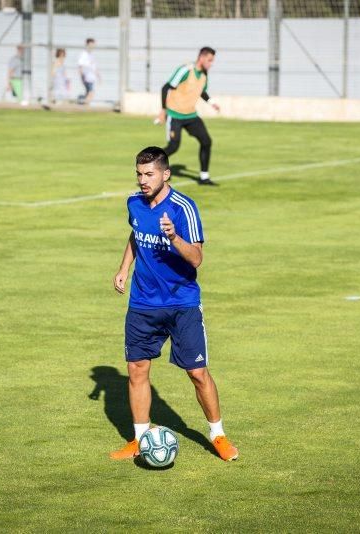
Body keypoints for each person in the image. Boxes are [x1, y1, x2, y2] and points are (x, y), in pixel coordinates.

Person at [110, 146, 239, 462]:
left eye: (149, 174)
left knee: (197, 372)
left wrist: (174, 237)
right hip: (142, 302)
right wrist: (124, 268)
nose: (143, 180)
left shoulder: (184, 208)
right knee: (137, 369)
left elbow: (196, 258)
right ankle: (140, 438)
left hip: (182, 303)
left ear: (165, 174)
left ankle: (218, 435)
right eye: (139, 174)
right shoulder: (135, 203)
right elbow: (135, 234)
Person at [156, 47, 221, 186]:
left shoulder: (204, 74)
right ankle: (152, 162)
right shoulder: (185, 70)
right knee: (173, 147)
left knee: (206, 141)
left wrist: (212, 102)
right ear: (202, 58)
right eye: (210, 60)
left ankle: (204, 177)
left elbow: (201, 91)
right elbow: (165, 87)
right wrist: (163, 110)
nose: (211, 63)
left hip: (191, 115)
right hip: (174, 114)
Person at [77, 38, 99, 105]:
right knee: (91, 92)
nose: (93, 46)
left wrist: (98, 76)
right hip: (86, 76)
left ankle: (83, 104)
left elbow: (94, 67)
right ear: (87, 44)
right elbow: (80, 66)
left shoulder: (91, 55)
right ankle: (84, 105)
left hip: (91, 77)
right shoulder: (84, 54)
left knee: (88, 93)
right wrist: (81, 76)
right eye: (91, 44)